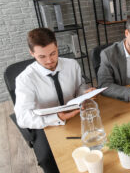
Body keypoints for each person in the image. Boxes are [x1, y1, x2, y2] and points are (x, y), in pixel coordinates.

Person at [14, 28, 95, 173]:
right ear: (32, 53)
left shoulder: (72, 65)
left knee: (94, 140)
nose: (49, 60)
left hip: (74, 114)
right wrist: (56, 117)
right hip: (47, 123)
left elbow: (79, 87)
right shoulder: (25, 79)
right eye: (42, 57)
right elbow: (22, 117)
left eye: (53, 53)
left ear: (57, 46)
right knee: (47, 159)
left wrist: (85, 93)